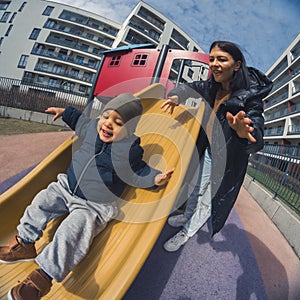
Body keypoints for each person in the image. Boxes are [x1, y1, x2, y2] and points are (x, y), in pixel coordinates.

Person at [0, 93, 174, 299]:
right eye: (106, 117)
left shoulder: (129, 151)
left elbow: (138, 171)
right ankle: (26, 244)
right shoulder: (92, 128)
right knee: (41, 200)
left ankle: (42, 279)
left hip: (93, 205)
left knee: (72, 231)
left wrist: (155, 179)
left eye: (118, 123)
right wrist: (65, 113)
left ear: (130, 129)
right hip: (67, 187)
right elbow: (80, 121)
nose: (108, 124)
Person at [161, 40, 273, 252]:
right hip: (210, 149)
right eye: (212, 59)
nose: (214, 64)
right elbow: (192, 87)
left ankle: (187, 231)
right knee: (195, 187)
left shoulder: (250, 97)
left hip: (228, 158)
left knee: (208, 198)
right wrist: (177, 96)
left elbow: (257, 137)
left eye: (222, 59)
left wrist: (244, 134)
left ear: (237, 65)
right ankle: (186, 214)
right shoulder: (213, 86)